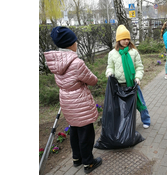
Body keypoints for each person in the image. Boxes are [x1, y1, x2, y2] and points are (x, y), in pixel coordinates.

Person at [44, 26, 102, 174]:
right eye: (75, 41)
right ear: (71, 44)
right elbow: (93, 80)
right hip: (79, 102)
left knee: (75, 130)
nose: (77, 44)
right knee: (86, 133)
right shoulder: (77, 63)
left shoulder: (56, 62)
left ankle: (77, 159)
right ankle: (88, 163)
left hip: (66, 100)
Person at [106, 25, 151, 129]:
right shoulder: (112, 54)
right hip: (119, 85)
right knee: (123, 106)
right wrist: (109, 73)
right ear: (118, 40)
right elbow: (110, 66)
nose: (126, 41)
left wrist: (138, 77)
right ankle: (126, 124)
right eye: (123, 39)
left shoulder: (133, 52)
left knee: (140, 103)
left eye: (128, 39)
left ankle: (146, 120)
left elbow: (139, 67)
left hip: (133, 84)